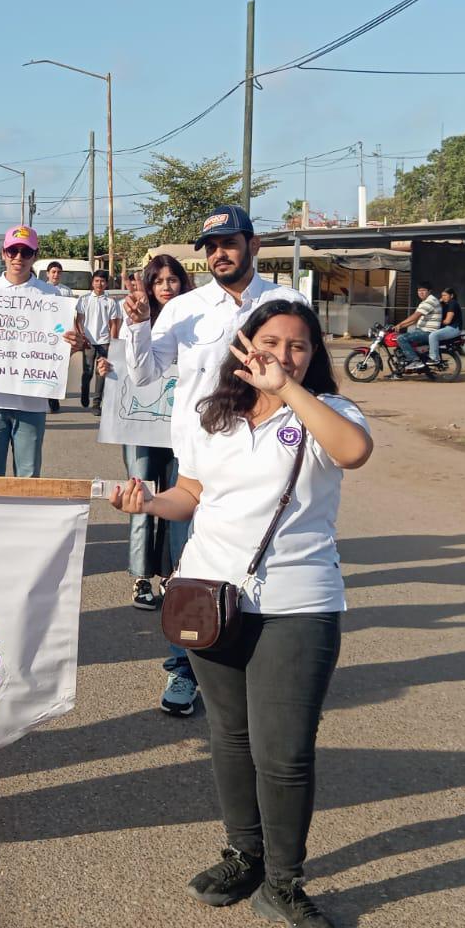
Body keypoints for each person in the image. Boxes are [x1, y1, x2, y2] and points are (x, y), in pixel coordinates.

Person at [112, 300, 370, 928]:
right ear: (243, 345)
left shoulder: (330, 414)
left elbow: (354, 453)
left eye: (299, 347)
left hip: (299, 602)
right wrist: (148, 500)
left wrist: (288, 391)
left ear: (314, 357)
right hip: (208, 596)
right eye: (272, 342)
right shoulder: (213, 416)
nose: (283, 355)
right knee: (229, 736)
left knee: (282, 752)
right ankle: (244, 855)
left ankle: (283, 883)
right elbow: (191, 495)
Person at [118, 205, 311, 717]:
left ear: (254, 245)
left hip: (271, 457)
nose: (218, 254)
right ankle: (187, 670)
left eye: (228, 242)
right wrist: (137, 328)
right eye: (210, 247)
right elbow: (143, 375)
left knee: (262, 564)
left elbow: (310, 381)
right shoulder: (185, 308)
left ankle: (260, 667)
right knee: (194, 570)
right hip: (200, 460)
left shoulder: (286, 303)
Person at [98, 255, 189, 611]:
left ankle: (175, 572)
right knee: (142, 494)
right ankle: (141, 576)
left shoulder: (193, 319)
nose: (166, 287)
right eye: (159, 281)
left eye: (173, 280)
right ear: (149, 286)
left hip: (181, 429)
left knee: (180, 499)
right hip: (139, 429)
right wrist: (108, 368)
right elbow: (127, 363)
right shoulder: (134, 317)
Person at [0, 226, 83, 478]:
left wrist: (71, 345)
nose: (18, 257)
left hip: (32, 402)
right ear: (3, 253)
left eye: (25, 252)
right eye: (13, 250)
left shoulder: (51, 296)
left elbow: (59, 343)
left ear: (35, 255)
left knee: (28, 477)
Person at [77, 272, 122, 416]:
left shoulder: (110, 302)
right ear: (92, 283)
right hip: (88, 341)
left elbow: (114, 323)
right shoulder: (84, 299)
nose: (99, 284)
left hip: (104, 342)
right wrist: (81, 335)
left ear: (106, 284)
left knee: (101, 373)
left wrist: (113, 342)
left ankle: (96, 403)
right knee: (88, 372)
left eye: (102, 281)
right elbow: (79, 319)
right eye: (97, 281)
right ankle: (84, 391)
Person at [43, 262, 74, 411]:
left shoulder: (67, 292)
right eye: (53, 272)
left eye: (58, 272)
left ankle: (54, 398)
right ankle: (43, 398)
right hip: (44, 335)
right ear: (47, 273)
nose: (56, 275)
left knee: (58, 368)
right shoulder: (40, 289)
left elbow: (70, 314)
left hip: (61, 335)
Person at [394, 282, 442, 372]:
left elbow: (416, 316)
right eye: (419, 290)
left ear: (429, 291)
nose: (421, 292)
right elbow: (415, 320)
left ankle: (415, 361)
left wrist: (400, 324)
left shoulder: (430, 301)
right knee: (401, 339)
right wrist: (400, 326)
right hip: (421, 330)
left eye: (423, 290)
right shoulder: (424, 302)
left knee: (401, 338)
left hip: (427, 332)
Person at [428, 286, 463, 365]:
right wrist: (439, 302)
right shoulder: (445, 304)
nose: (443, 297)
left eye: (445, 295)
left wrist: (436, 323)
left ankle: (434, 358)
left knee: (433, 336)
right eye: (442, 295)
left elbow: (447, 321)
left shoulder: (453, 303)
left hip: (454, 328)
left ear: (451, 296)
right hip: (448, 328)